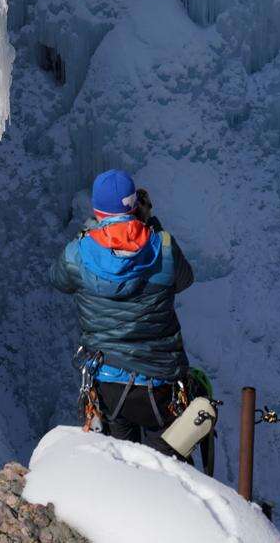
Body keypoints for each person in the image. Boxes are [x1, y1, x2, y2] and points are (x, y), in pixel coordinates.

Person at [50, 169, 194, 454]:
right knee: (167, 468)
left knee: (121, 462)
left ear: (96, 208)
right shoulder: (163, 246)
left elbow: (58, 279)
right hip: (160, 383)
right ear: (135, 204)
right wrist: (149, 222)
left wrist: (93, 232)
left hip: (109, 383)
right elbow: (184, 279)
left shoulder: (78, 253)